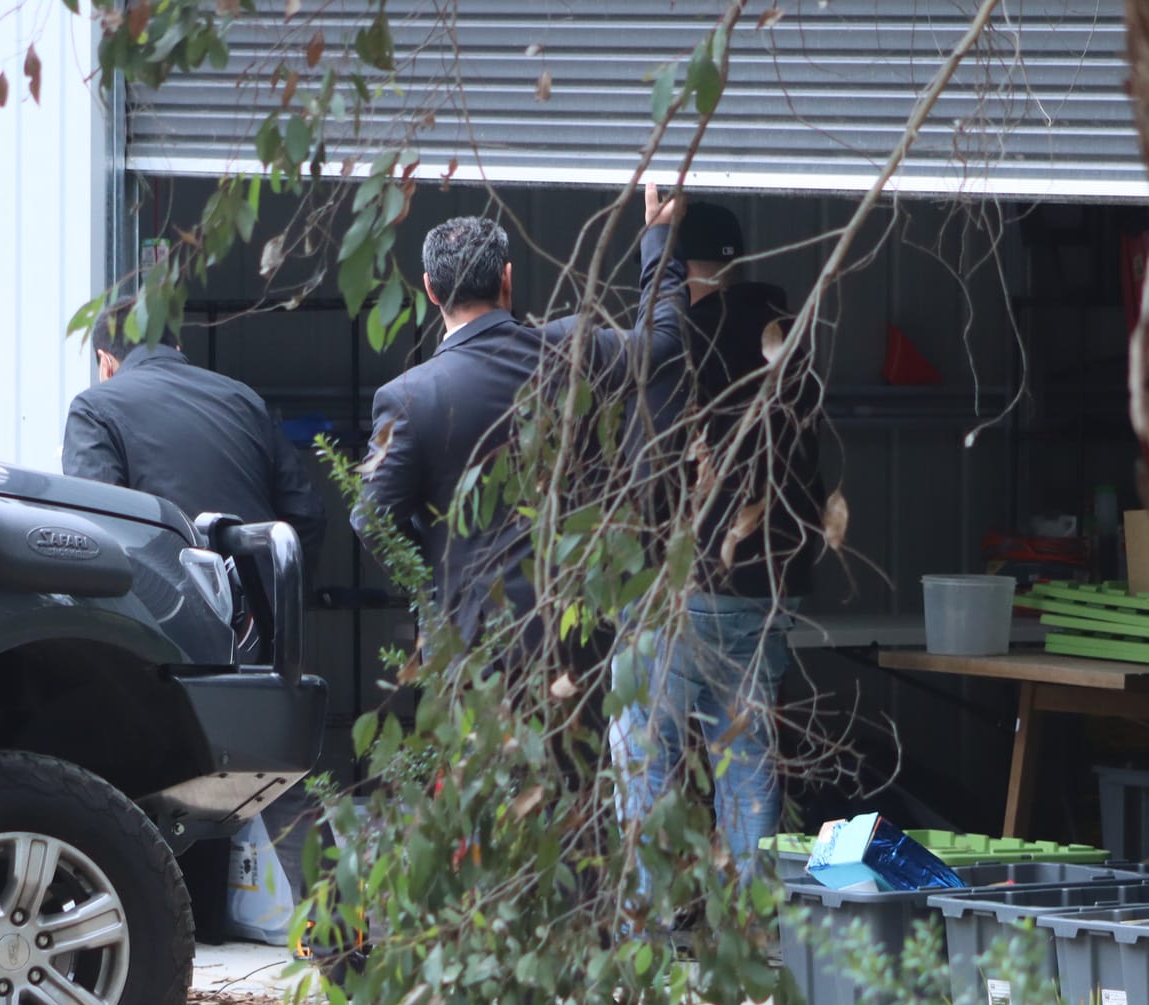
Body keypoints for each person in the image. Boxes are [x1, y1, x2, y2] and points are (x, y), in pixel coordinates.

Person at [352, 184, 689, 660]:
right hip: (575, 638)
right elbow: (666, 342)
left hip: (469, 646)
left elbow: (371, 518)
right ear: (507, 279)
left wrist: (439, 585)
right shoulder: (573, 347)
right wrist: (659, 238)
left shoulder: (408, 398)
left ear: (430, 289)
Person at [612, 200, 827, 885]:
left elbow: (645, 470)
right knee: (749, 766)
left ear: (679, 273)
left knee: (647, 764)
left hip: (677, 593)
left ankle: (643, 931)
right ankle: (753, 924)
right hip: (761, 594)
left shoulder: (678, 343)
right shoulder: (787, 343)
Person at [63, 307, 326, 555]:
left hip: (163, 598)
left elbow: (100, 527)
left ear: (105, 361)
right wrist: (277, 594)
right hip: (254, 596)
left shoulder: (92, 408)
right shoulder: (245, 399)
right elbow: (306, 514)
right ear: (176, 349)